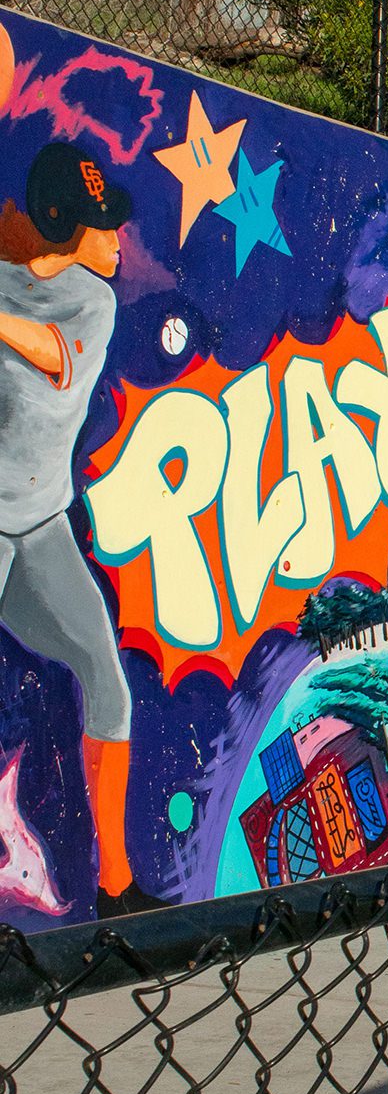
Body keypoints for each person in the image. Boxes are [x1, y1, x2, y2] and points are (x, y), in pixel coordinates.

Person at [0, 141, 155, 917]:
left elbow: (53, 357)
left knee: (107, 680)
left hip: (41, 529)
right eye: (100, 225)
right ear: (64, 227)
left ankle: (118, 886)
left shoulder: (96, 305)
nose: (116, 237)